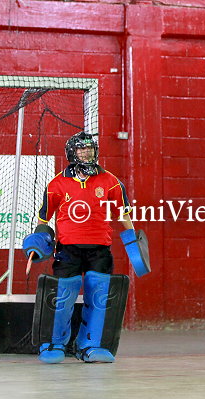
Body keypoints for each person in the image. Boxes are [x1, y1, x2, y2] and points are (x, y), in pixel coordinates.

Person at [22, 131, 150, 364]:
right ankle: (54, 344)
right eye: (81, 149)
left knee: (100, 297)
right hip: (67, 249)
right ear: (72, 153)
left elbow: (122, 214)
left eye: (90, 149)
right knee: (62, 297)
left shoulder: (111, 181)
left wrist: (133, 242)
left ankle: (91, 345)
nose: (86, 153)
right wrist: (40, 240)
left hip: (100, 249)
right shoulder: (57, 184)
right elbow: (44, 218)